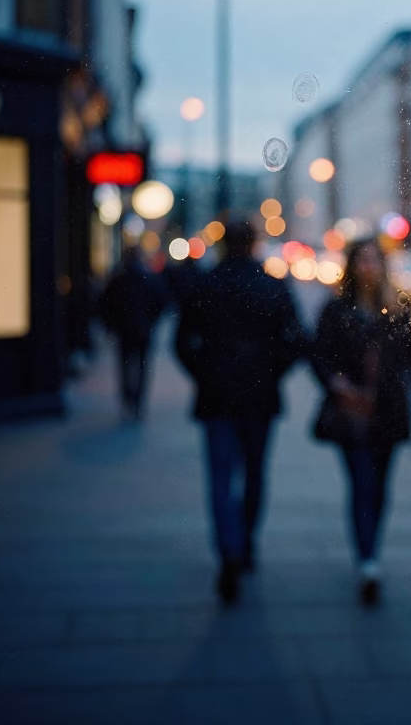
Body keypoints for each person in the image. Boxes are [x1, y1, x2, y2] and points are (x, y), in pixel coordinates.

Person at [174, 220, 307, 606]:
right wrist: (273, 373)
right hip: (259, 396)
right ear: (254, 244)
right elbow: (295, 340)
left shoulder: (205, 284)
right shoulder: (272, 285)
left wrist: (203, 373)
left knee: (219, 476)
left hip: (216, 395)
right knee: (253, 471)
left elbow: (182, 341)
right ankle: (246, 541)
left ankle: (228, 548)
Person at [311, 237, 411, 607]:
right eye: (362, 260)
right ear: (351, 266)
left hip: (389, 410)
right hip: (351, 412)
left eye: (374, 260)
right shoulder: (336, 309)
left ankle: (370, 552)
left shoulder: (398, 308)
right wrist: (335, 382)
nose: (368, 267)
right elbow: (318, 355)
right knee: (361, 484)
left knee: (380, 489)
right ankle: (367, 561)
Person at [97, 245, 169, 421]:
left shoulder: (118, 280)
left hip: (124, 331)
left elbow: (104, 305)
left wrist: (111, 325)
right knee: (142, 367)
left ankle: (128, 399)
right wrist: (151, 320)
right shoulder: (148, 278)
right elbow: (161, 301)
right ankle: (137, 401)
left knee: (125, 365)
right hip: (143, 330)